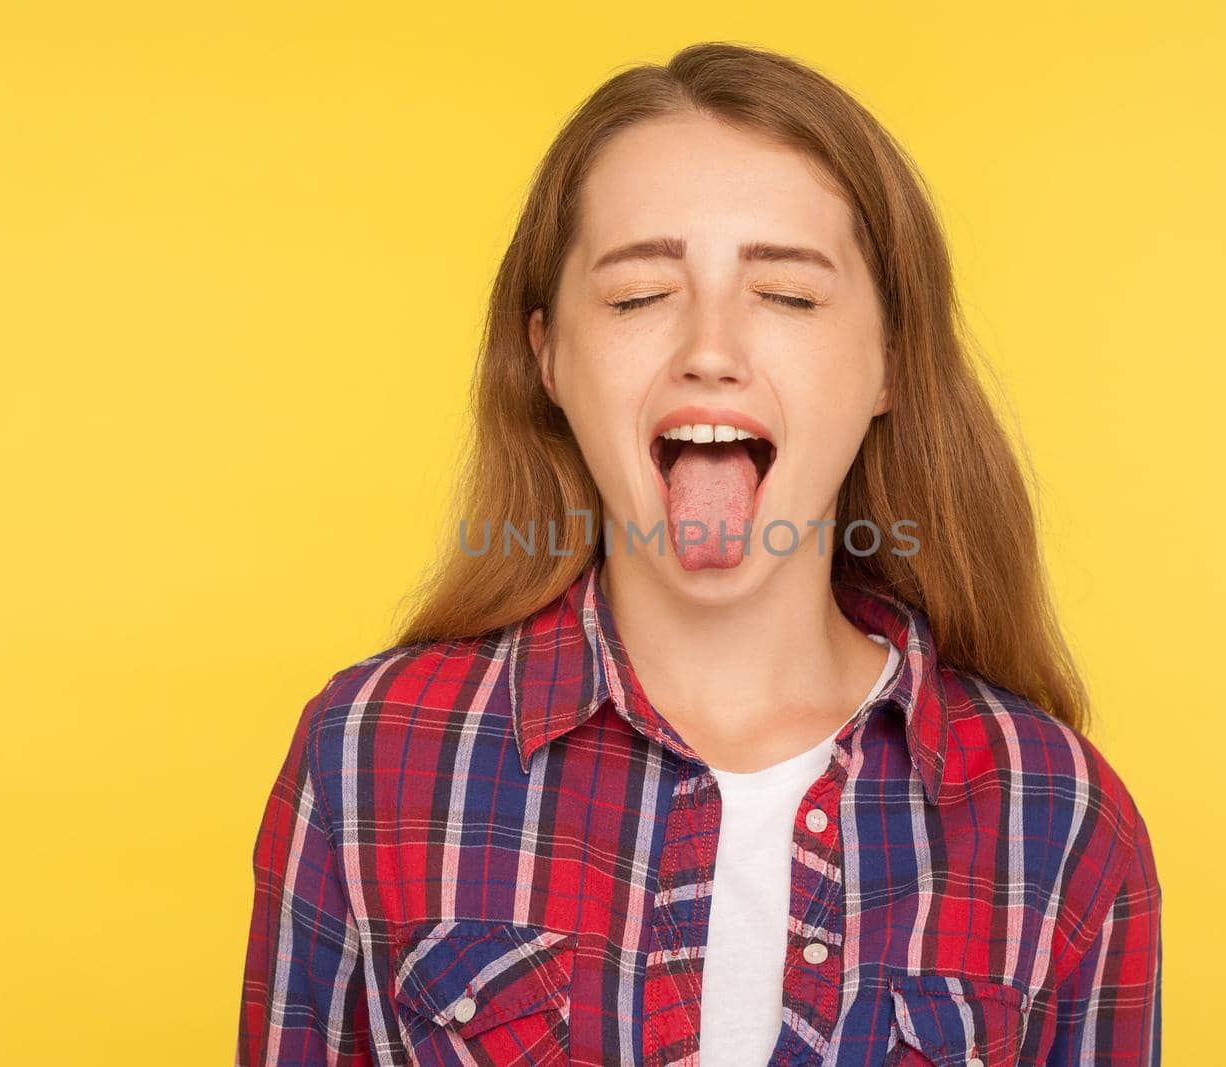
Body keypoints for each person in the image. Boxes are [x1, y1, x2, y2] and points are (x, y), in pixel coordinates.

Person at [236, 41, 1161, 1067]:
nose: (709, 348)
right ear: (546, 356)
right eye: (638, 296)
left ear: (891, 363)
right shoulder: (367, 756)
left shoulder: (1058, 815)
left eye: (790, 297)